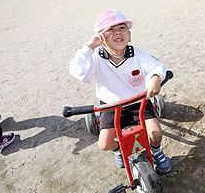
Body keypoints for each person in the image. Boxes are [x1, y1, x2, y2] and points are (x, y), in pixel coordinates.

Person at [69, 9, 171, 173]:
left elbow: (156, 66)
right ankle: (119, 150)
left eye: (122, 28)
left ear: (129, 35)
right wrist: (89, 47)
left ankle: (156, 151)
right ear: (100, 38)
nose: (117, 33)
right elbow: (77, 71)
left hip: (138, 102)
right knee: (104, 144)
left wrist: (156, 78)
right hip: (110, 105)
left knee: (156, 133)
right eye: (110, 30)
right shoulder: (96, 58)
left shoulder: (135, 54)